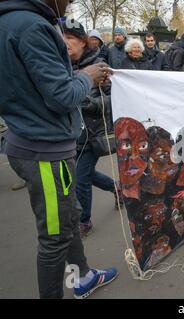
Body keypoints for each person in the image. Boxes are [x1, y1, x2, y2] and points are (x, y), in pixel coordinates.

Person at [0, 0, 117, 299]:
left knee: (69, 218)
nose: (69, 1)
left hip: (35, 142)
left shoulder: (13, 22)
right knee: (54, 237)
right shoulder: (31, 26)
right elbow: (63, 96)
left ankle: (84, 276)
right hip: (44, 152)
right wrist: (86, 76)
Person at [62, 20, 120, 238]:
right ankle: (117, 188)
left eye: (70, 39)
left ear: (83, 42)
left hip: (93, 135)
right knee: (84, 174)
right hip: (72, 133)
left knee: (80, 177)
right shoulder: (63, 66)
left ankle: (84, 221)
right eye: (63, 39)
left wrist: (91, 103)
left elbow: (112, 99)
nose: (65, 43)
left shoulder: (100, 66)